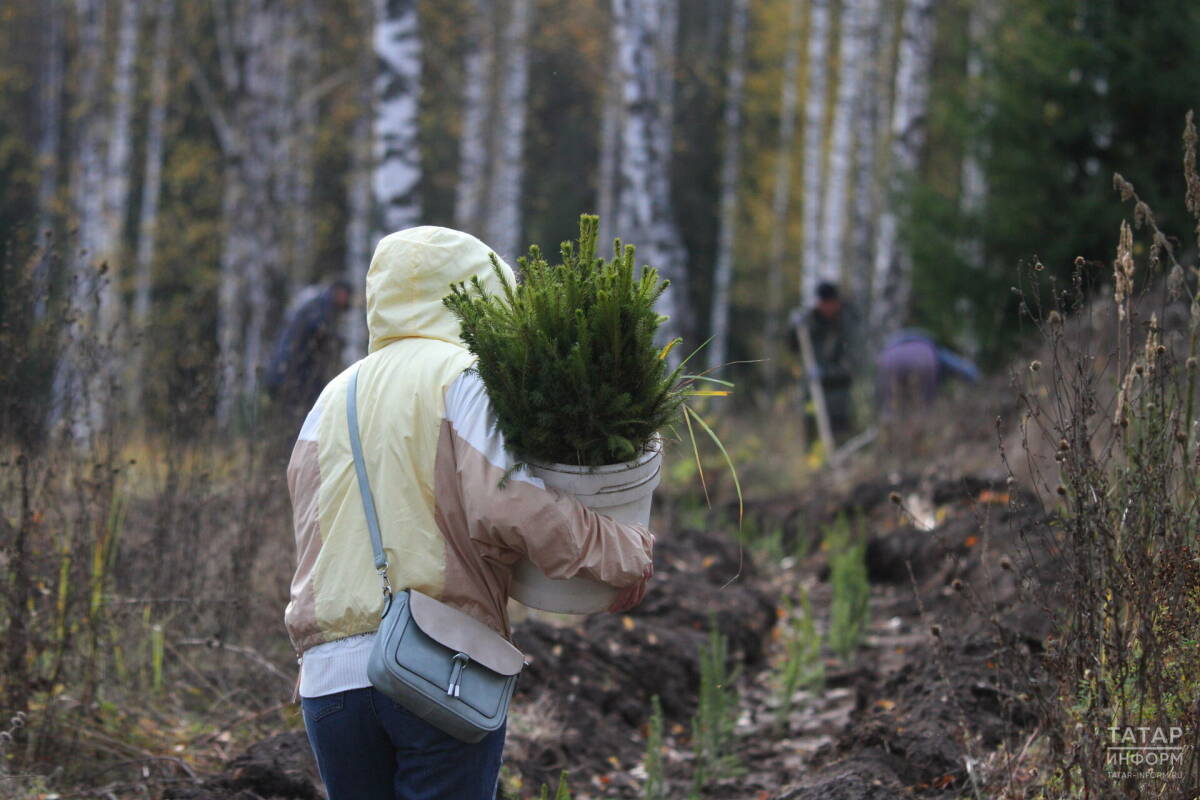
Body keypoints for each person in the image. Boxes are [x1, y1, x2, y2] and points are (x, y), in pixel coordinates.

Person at [284, 227, 654, 800]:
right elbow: (513, 506)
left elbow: (309, 526)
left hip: (328, 678)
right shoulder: (462, 379)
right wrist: (622, 553)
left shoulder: (332, 396)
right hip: (433, 664)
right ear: (479, 291)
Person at [265, 280, 353, 417]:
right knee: (301, 418)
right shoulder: (319, 306)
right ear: (339, 292)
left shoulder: (315, 302)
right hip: (294, 373)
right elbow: (317, 331)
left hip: (290, 372)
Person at [790, 282, 862, 440]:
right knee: (812, 430)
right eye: (821, 303)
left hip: (840, 390)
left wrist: (826, 372)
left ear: (836, 302)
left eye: (828, 304)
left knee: (840, 432)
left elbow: (853, 362)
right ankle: (812, 461)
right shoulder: (811, 320)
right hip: (813, 389)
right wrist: (793, 329)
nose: (824, 308)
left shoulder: (849, 321)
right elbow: (795, 347)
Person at [874, 328, 979, 419]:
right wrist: (976, 378)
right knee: (924, 408)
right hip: (923, 357)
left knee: (891, 409)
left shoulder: (891, 347)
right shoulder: (931, 346)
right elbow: (959, 367)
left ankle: (891, 435)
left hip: (889, 359)